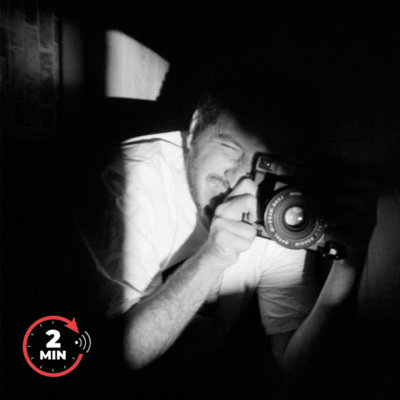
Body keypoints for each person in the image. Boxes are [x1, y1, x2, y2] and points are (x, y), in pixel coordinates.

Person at [92, 75, 376, 398]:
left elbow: (295, 370)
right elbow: (108, 362)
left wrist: (348, 266)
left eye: (267, 163)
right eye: (229, 147)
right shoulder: (132, 183)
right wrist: (214, 256)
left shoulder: (278, 205)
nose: (241, 178)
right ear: (194, 130)